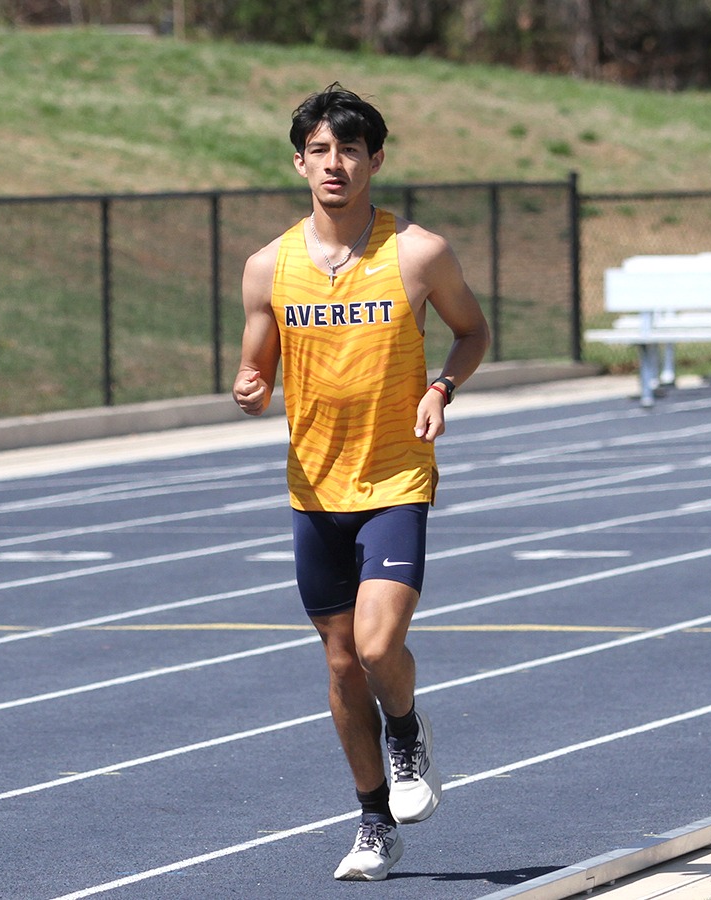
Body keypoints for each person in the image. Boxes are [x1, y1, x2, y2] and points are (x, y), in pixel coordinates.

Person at [233, 83, 491, 882]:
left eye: (349, 149)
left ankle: (408, 732)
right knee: (342, 666)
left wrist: (440, 387)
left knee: (379, 646)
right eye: (319, 149)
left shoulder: (416, 252)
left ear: (375, 160)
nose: (334, 163)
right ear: (299, 162)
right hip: (313, 490)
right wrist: (248, 386)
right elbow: (256, 365)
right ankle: (374, 821)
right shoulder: (267, 266)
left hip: (394, 477)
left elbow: (473, 331)